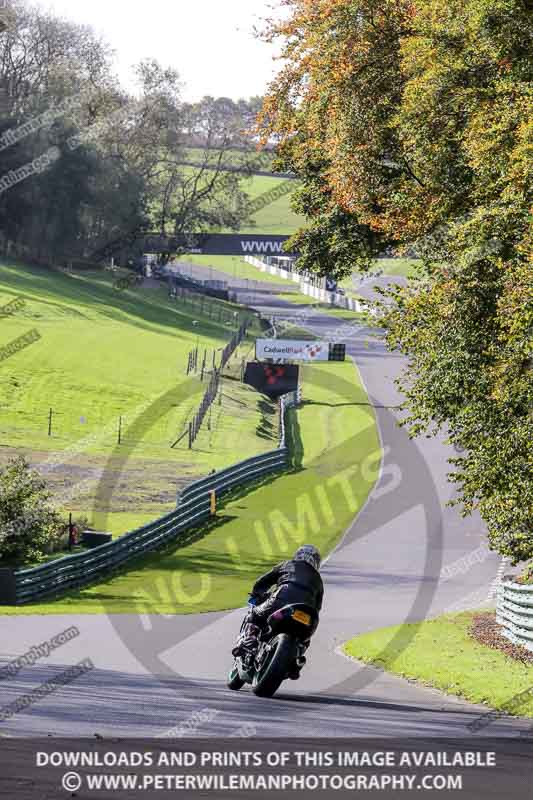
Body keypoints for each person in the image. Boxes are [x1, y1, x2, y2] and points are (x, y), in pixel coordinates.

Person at [232, 544, 323, 673]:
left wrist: (256, 594)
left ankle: (251, 640)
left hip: (280, 602)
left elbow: (263, 581)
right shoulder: (318, 579)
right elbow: (318, 607)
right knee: (305, 640)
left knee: (255, 615)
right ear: (316, 562)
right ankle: (297, 661)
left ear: (298, 555)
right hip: (307, 614)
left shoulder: (287, 564)